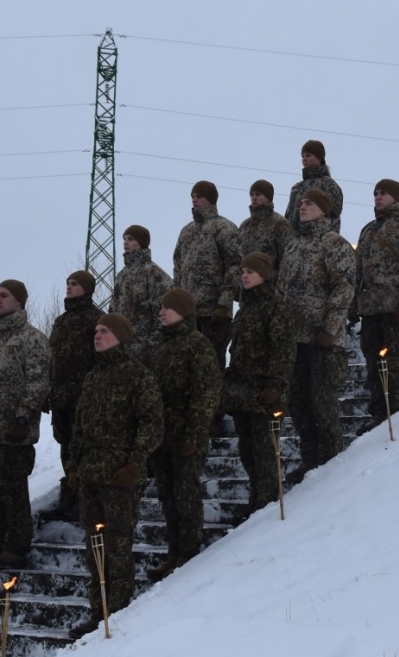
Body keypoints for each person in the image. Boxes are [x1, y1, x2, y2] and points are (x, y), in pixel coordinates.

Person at [66, 313, 164, 638]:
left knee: (118, 545)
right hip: (91, 475)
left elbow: (151, 424)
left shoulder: (138, 376)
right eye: (95, 330)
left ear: (120, 336)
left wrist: (135, 464)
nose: (97, 336)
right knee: (94, 547)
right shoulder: (93, 377)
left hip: (120, 476)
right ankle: (99, 612)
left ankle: (118, 612)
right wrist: (73, 465)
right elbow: (79, 426)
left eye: (104, 331)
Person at [142, 289, 222, 581]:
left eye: (168, 308)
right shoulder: (157, 348)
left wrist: (194, 434)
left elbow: (206, 394)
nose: (161, 312)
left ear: (183, 312)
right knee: (167, 494)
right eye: (161, 307)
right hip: (162, 436)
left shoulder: (197, 346)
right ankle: (173, 550)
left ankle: (188, 551)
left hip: (186, 435)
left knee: (185, 493)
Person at [0, 280, 51, 570]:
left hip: (15, 431)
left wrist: (23, 416)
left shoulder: (32, 338)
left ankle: (16, 545)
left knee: (12, 491)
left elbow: (39, 381)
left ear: (19, 301)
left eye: (4, 296)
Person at [277, 188, 354, 479]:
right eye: (300, 203)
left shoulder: (334, 244)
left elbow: (344, 288)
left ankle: (332, 463)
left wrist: (329, 328)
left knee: (323, 403)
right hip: (296, 341)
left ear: (324, 210)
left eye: (309, 203)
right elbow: (281, 291)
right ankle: (311, 459)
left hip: (324, 342)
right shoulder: (294, 247)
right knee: (299, 403)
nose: (303, 207)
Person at [222, 253, 296, 516]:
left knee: (266, 451)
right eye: (242, 270)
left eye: (250, 271)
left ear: (265, 275)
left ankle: (267, 504)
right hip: (243, 392)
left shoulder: (277, 307)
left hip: (266, 392)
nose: (244, 275)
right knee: (247, 449)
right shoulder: (244, 310)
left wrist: (275, 385)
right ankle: (256, 500)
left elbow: (283, 349)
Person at [351, 180, 399, 423]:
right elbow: (357, 270)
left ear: (395, 196)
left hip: (395, 311)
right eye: (375, 193)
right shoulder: (368, 230)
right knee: (374, 368)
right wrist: (353, 302)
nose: (378, 197)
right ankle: (379, 418)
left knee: (393, 366)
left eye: (383, 193)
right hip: (370, 311)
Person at [41, 270, 102, 522]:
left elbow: (101, 360)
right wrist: (49, 391)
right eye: (67, 283)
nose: (69, 287)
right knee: (66, 449)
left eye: (75, 283)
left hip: (84, 397)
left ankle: (86, 501)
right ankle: (70, 498)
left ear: (87, 288)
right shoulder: (61, 321)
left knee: (85, 450)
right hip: (61, 399)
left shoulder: (97, 319)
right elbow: (53, 361)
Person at [174, 181, 242, 373]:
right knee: (187, 366)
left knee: (212, 364)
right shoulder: (187, 231)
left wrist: (224, 302)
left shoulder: (225, 228)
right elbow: (178, 266)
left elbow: (234, 266)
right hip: (188, 314)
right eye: (193, 197)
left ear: (210, 199)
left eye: (200, 196)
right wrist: (177, 303)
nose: (195, 200)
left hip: (213, 313)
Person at [110, 224, 174, 355]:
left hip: (145, 347)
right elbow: (113, 308)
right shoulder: (122, 275)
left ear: (141, 242)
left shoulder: (154, 273)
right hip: (121, 346)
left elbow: (164, 311)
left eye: (131, 239)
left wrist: (153, 345)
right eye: (124, 239)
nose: (126, 242)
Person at [283, 140, 344, 234]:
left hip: (320, 241)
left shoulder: (328, 184)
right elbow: (288, 216)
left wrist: (328, 240)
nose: (304, 159)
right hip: (297, 242)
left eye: (308, 155)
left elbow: (334, 215)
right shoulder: (297, 187)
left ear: (319, 158)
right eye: (302, 156)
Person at [239, 180, 292, 276]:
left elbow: (287, 259)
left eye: (258, 194)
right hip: (246, 284)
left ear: (268, 197)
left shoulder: (279, 223)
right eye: (252, 195)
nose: (254, 197)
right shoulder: (245, 225)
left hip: (269, 284)